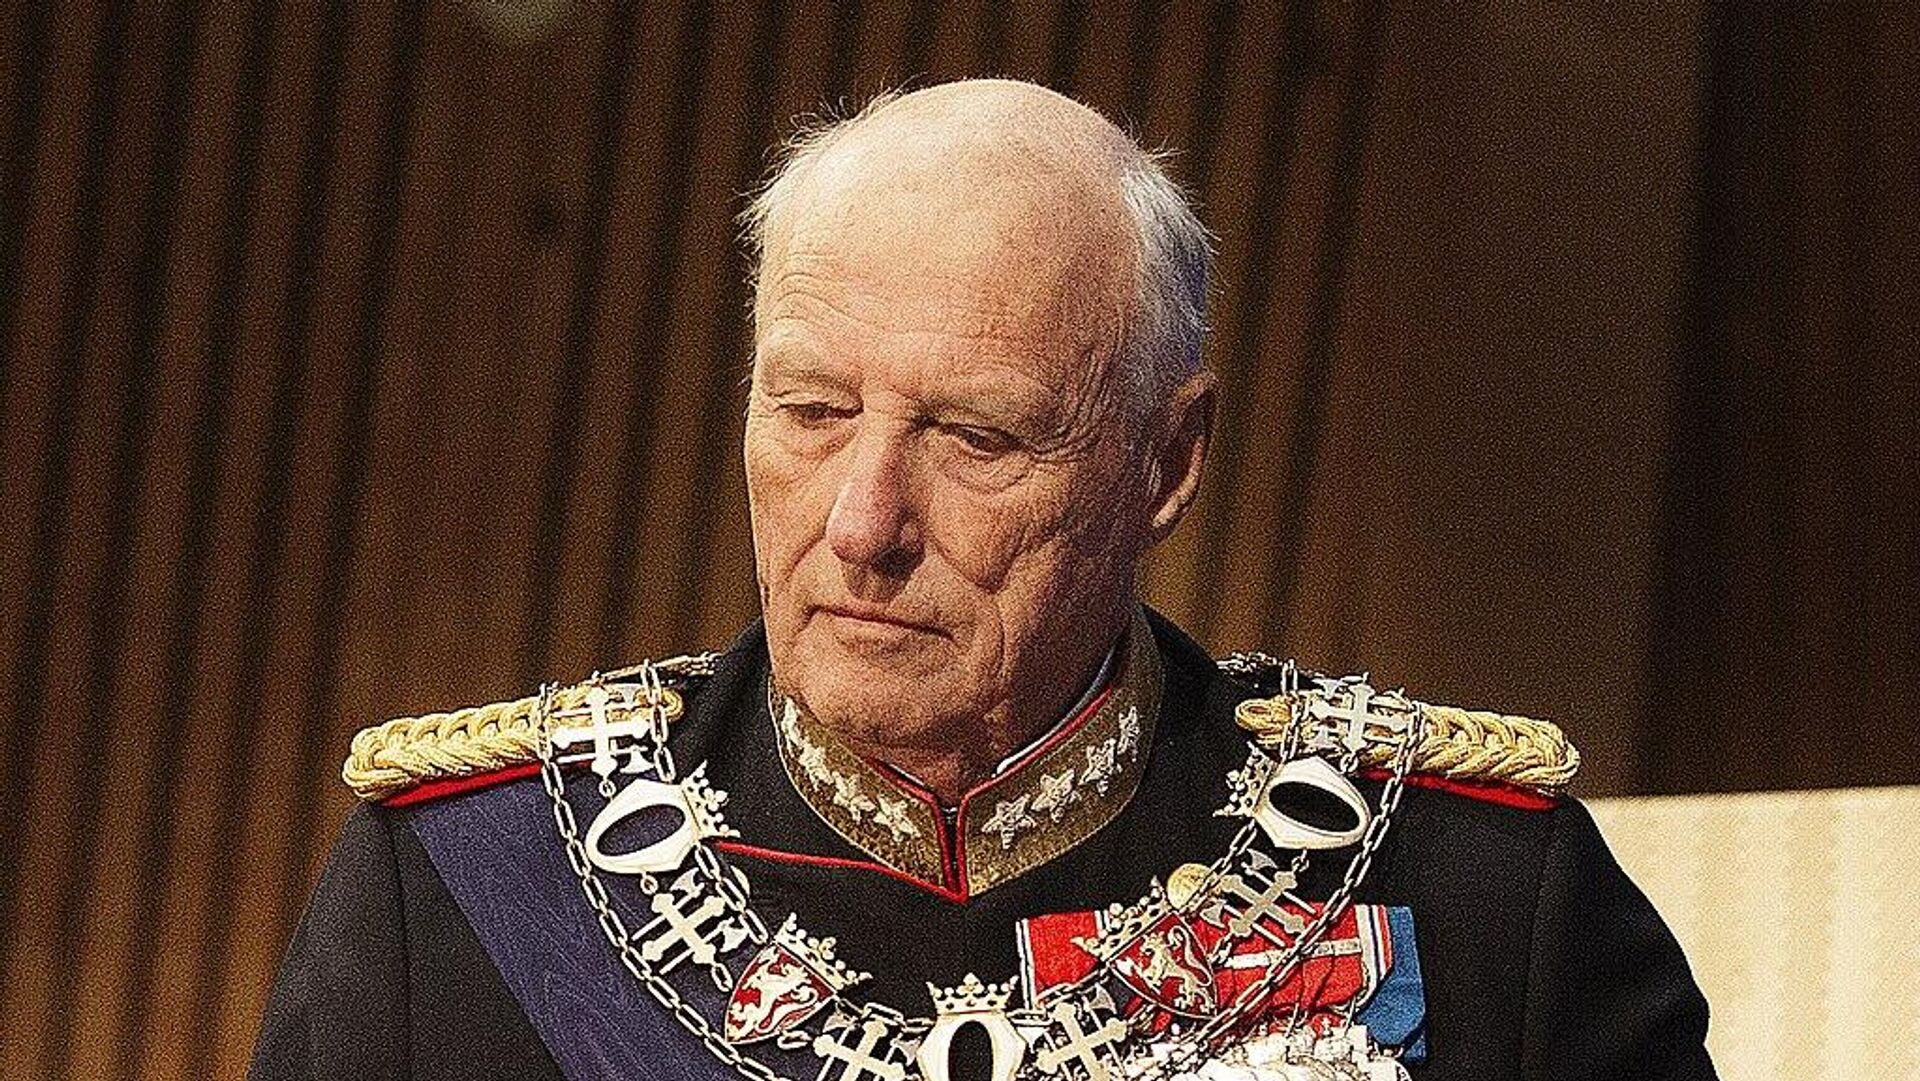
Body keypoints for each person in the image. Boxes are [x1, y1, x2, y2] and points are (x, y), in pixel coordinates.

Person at [250, 79, 1714, 1081]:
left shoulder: (1472, 891)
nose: (863, 524)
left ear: (1167, 462)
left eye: (974, 436)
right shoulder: (460, 890)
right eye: (812, 412)